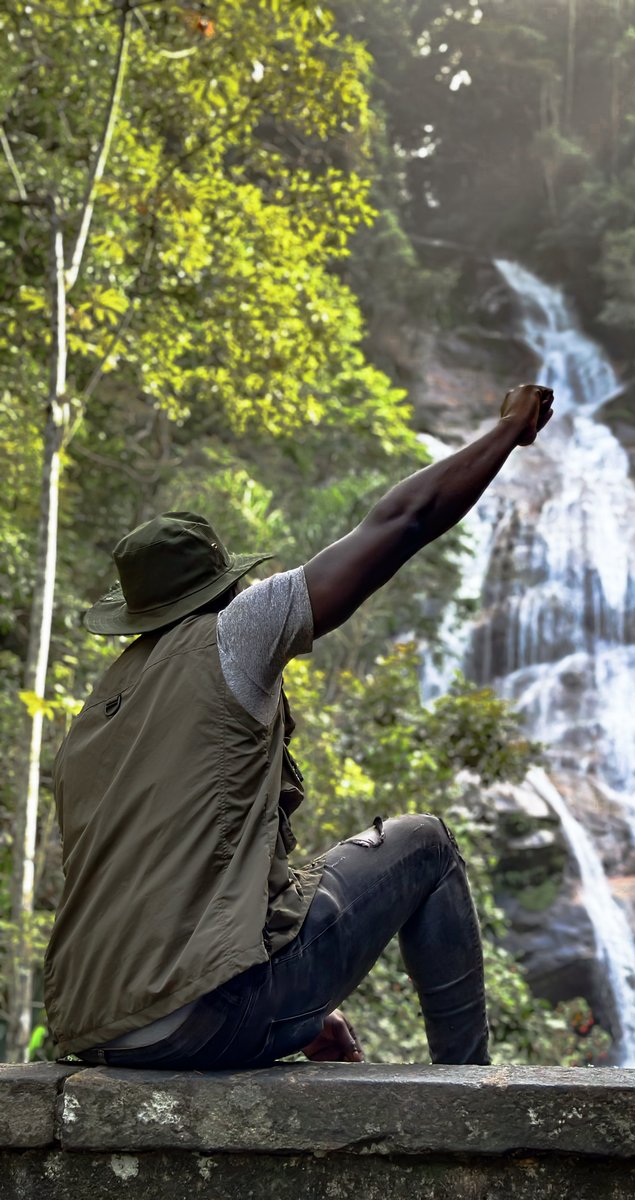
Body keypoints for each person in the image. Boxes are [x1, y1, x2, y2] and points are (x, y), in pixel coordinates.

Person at [44, 383, 554, 1070]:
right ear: (225, 590)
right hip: (209, 1017)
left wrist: (308, 1008)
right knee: (425, 843)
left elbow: (170, 883)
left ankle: (290, 1011)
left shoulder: (97, 717)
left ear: (137, 615)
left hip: (98, 1031)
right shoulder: (234, 630)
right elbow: (403, 521)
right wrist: (507, 431)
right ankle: (469, 1091)